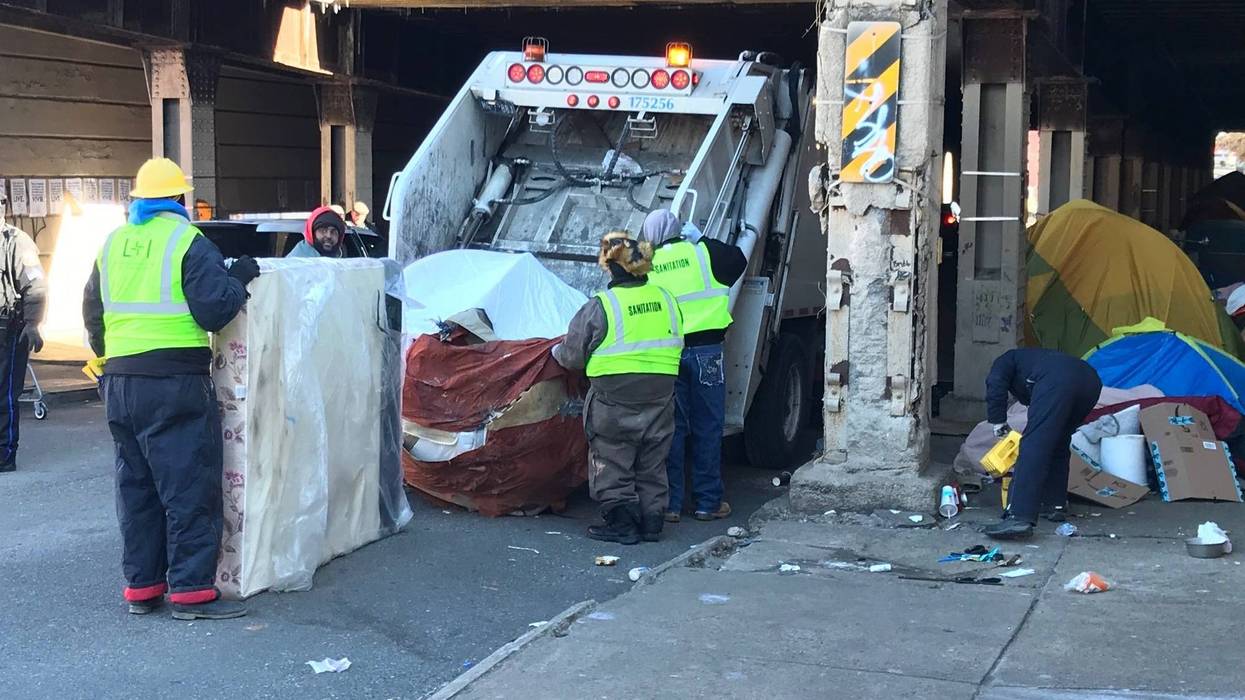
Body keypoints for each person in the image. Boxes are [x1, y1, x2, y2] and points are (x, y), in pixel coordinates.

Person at [82, 157, 261, 619]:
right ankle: (191, 592)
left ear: (139, 199)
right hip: (174, 382)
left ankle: (142, 587)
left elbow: (93, 313)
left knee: (136, 487)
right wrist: (239, 279)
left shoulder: (113, 244)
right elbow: (214, 310)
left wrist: (114, 360)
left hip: (120, 383)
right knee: (187, 484)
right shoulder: (188, 241)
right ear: (180, 200)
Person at [553, 232, 684, 544]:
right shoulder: (666, 299)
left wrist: (553, 353)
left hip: (614, 394)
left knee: (612, 455)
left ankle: (622, 523)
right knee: (653, 456)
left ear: (611, 268)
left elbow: (571, 356)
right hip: (661, 390)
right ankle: (653, 521)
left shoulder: (602, 306)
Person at [638, 209, 746, 523]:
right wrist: (703, 240)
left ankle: (671, 504)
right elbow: (738, 259)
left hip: (670, 354)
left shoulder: (647, 266)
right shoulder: (704, 253)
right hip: (707, 352)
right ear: (680, 229)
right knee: (709, 426)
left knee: (673, 428)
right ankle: (708, 503)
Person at [981, 348, 1102, 540]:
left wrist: (998, 421)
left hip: (1059, 380)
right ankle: (1055, 505)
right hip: (1091, 381)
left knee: (1033, 443)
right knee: (1059, 442)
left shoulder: (1004, 361)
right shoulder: (1035, 359)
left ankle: (1019, 516)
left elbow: (994, 383)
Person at [0, 192, 47, 473]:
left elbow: (36, 286)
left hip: (7, 331)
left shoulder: (16, 241)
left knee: (4, 394)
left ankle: (4, 454)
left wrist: (32, 323)